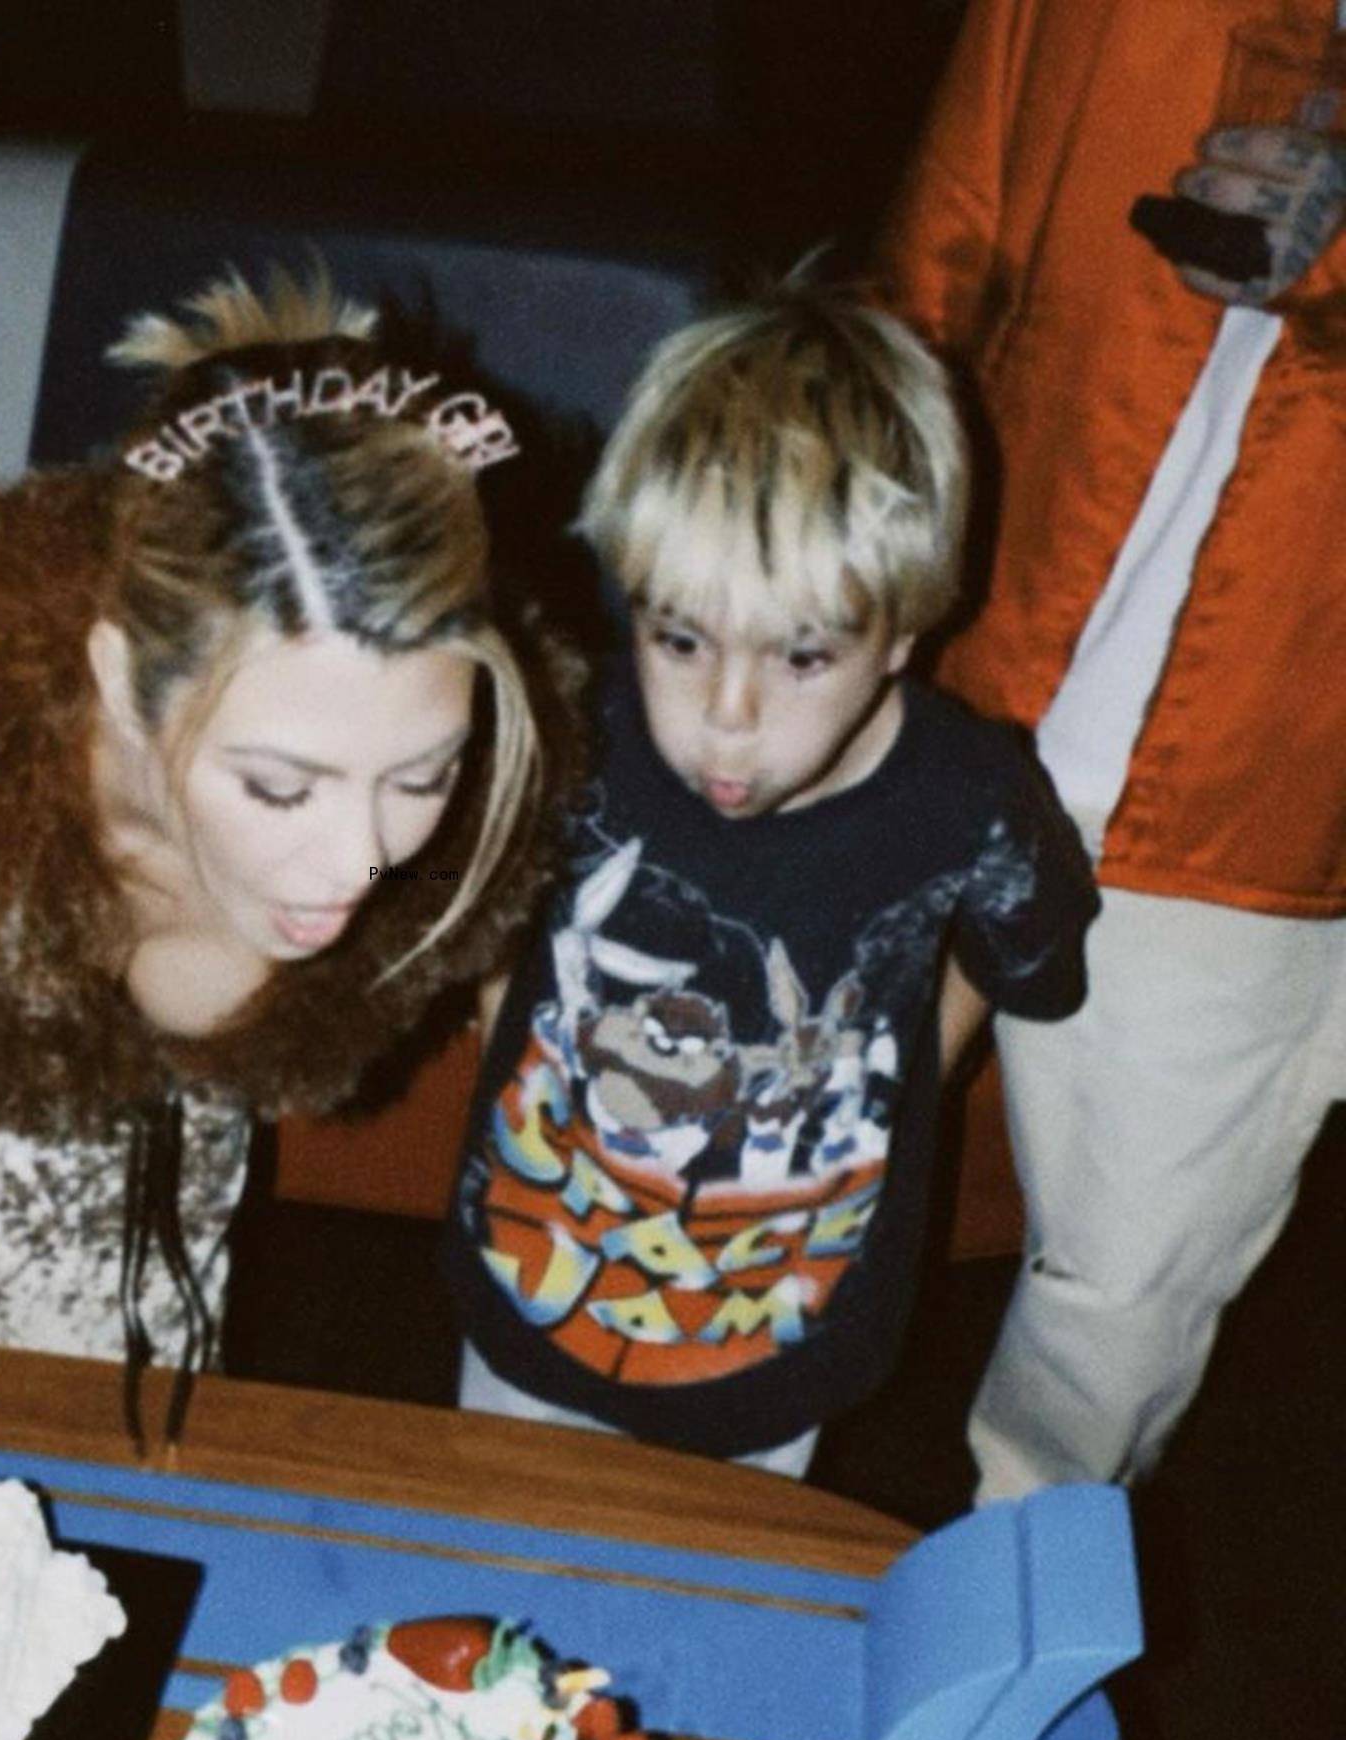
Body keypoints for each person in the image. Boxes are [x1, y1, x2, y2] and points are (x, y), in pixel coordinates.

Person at [0, 271, 576, 1446]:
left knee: (175, 1321)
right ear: (117, 685)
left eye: (421, 776)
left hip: (159, 1026)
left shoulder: (469, 777)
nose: (362, 861)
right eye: (282, 786)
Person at [444, 285, 1097, 1475]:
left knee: (718, 1605)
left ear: (903, 629)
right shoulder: (568, 724)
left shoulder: (975, 796)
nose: (725, 723)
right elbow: (484, 908)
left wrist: (903, 1074)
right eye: (680, 640)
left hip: (783, 1341)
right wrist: (506, 1022)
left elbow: (1020, 967)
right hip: (527, 1294)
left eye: (802, 656)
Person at [877, 0, 1346, 1495]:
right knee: (758, 1188)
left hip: (1265, 783)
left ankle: (991, 1698)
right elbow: (933, 269)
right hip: (958, 687)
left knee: (1112, 1319)